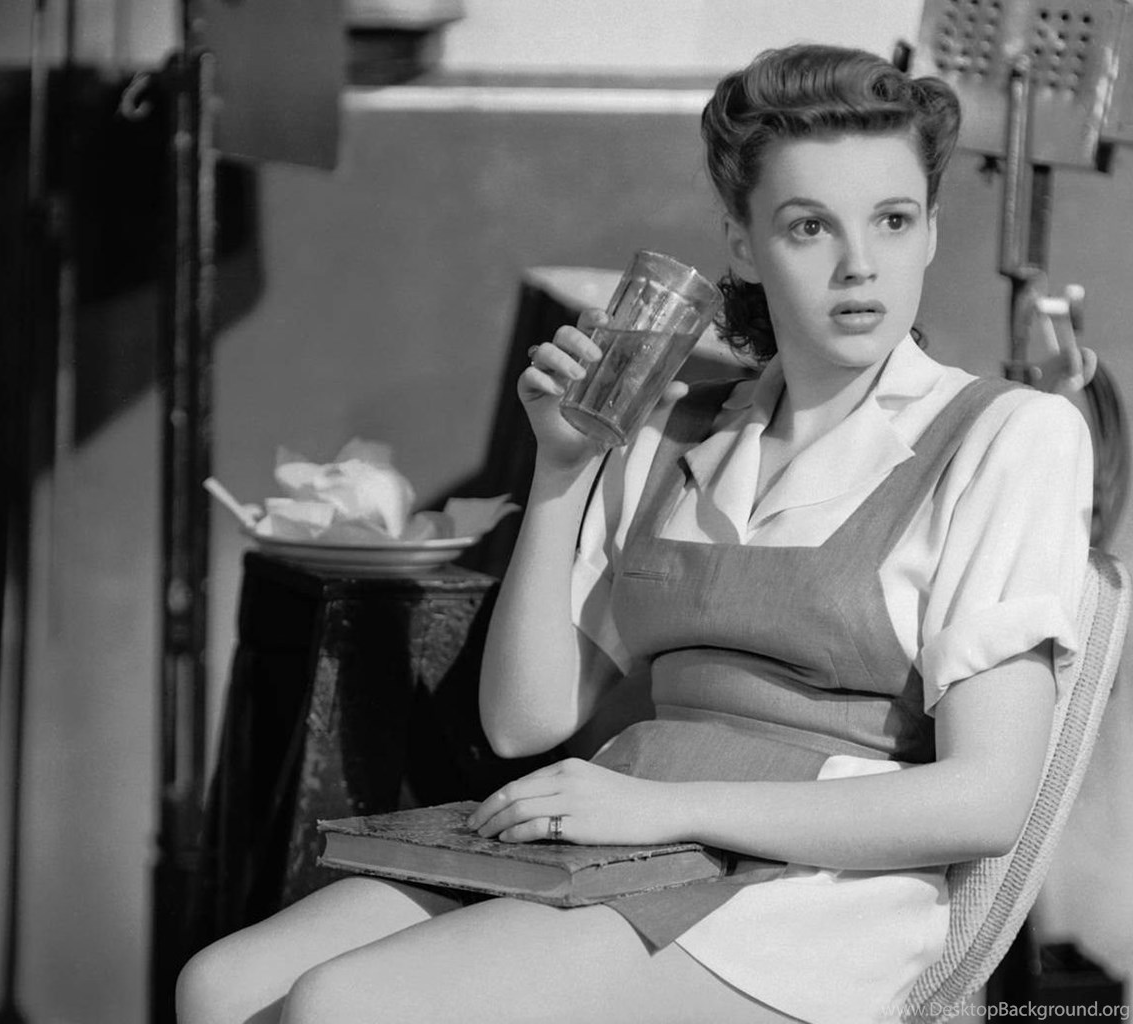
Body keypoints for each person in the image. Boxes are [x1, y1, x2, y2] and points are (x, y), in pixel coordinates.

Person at [176, 43, 1093, 1024]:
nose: (858, 263)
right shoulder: (673, 432)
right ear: (743, 244)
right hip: (615, 832)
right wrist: (562, 473)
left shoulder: (1005, 436)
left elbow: (984, 800)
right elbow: (522, 721)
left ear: (930, 231)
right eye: (807, 225)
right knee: (220, 988)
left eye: (892, 219)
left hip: (813, 890)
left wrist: (664, 807)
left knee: (345, 1005)